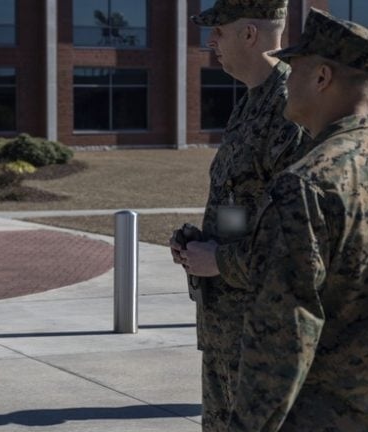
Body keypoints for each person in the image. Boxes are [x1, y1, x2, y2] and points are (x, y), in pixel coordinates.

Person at [226, 9, 368, 430]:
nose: (286, 81)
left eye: (295, 68)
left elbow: (282, 337)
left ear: (322, 77)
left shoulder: (308, 185)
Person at [169, 0, 305, 430]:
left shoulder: (290, 109)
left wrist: (222, 260)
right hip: (227, 330)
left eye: (219, 31)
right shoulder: (251, 102)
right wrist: (201, 243)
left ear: (250, 34)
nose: (210, 42)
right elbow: (243, 205)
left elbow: (301, 242)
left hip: (263, 336)